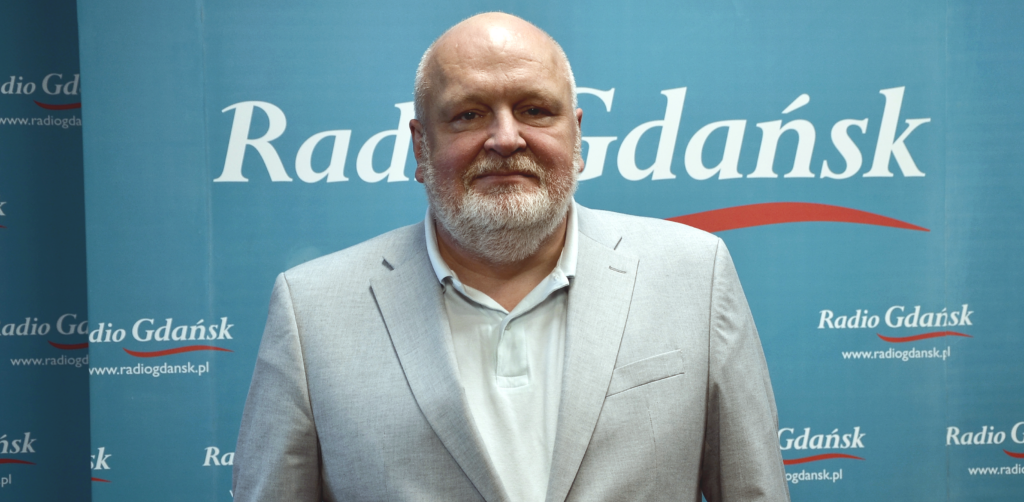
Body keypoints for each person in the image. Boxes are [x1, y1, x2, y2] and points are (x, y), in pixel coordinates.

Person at [233, 12, 788, 502]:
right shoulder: (312, 312)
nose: (505, 138)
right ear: (420, 147)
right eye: (469, 115)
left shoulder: (694, 274)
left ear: (576, 136)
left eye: (534, 110)